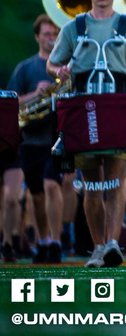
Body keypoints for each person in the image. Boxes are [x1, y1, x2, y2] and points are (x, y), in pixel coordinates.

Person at [47, 0, 126, 268]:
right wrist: (61, 71)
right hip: (85, 106)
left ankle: (112, 243)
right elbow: (52, 65)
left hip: (118, 104)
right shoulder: (75, 27)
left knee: (115, 180)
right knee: (91, 181)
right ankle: (97, 247)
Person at [6, 15, 64, 263]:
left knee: (52, 186)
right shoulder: (26, 68)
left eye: (54, 34)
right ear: (37, 37)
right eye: (46, 34)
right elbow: (10, 102)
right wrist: (35, 94)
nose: (51, 38)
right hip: (30, 140)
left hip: (56, 138)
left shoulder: (64, 67)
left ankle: (58, 241)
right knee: (37, 194)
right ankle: (43, 240)